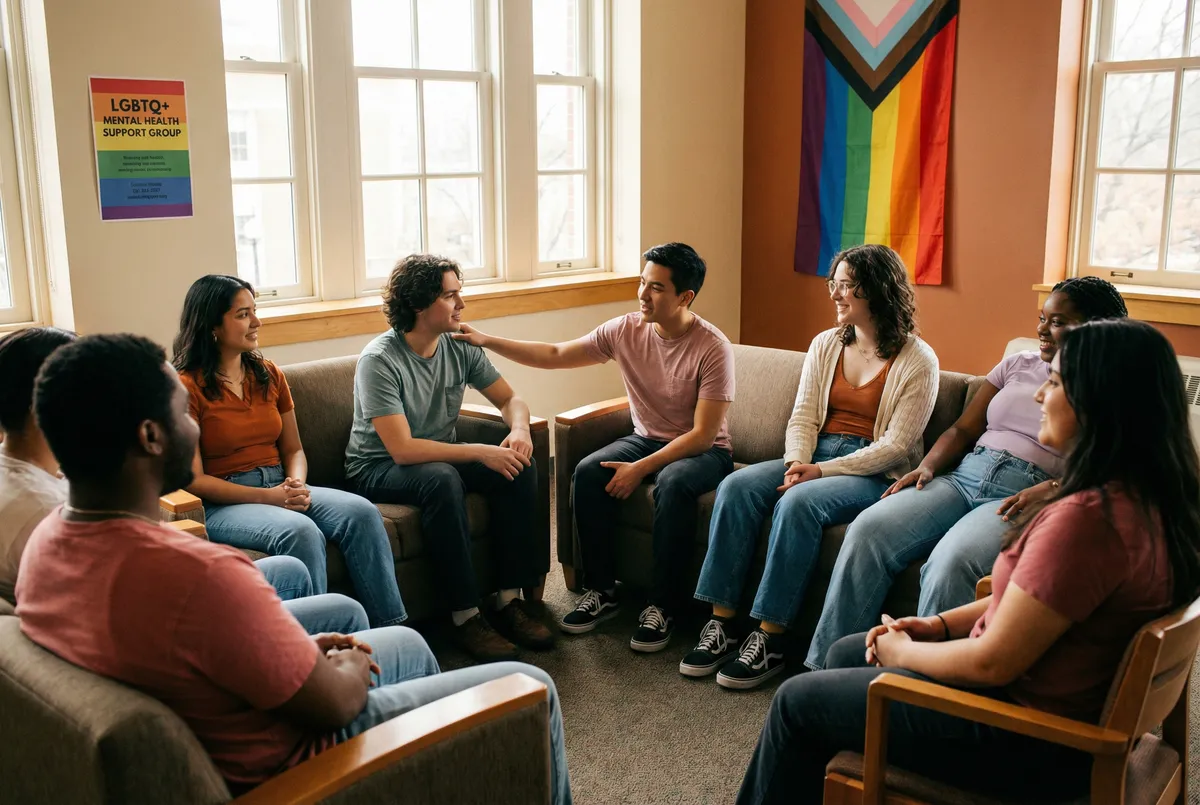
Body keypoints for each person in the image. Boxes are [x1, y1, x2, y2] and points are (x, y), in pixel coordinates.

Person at [16, 333, 572, 804]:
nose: (194, 423)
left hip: (230, 720)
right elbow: (334, 704)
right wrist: (349, 666)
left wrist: (302, 655)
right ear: (150, 436)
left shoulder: (45, 543)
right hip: (300, 767)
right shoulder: (206, 575)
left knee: (374, 624)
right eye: (181, 412)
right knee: (532, 684)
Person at [736, 318, 1200, 803]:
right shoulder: (1152, 504)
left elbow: (991, 663)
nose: (1041, 396)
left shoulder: (1086, 525)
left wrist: (904, 653)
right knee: (843, 655)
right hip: (1052, 709)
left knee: (796, 702)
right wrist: (935, 626)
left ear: (1099, 403)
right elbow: (1031, 603)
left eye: (1057, 383)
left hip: (1023, 739)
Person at [803, 276, 1128, 669]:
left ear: (1097, 330)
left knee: (951, 561)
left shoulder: (1108, 388)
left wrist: (1053, 489)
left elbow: (1112, 465)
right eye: (1042, 318)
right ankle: (826, 669)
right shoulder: (1017, 364)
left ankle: (913, 690)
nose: (1042, 329)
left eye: (1058, 322)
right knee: (868, 529)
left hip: (1019, 495)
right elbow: (961, 429)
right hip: (964, 474)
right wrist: (927, 467)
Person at [454, 242, 735, 652]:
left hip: (703, 452)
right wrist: (486, 340)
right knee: (587, 472)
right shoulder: (625, 330)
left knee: (672, 484)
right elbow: (554, 354)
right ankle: (602, 590)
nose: (642, 294)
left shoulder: (712, 347)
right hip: (645, 437)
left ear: (685, 297)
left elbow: (704, 435)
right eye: (642, 282)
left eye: (656, 288)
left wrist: (640, 469)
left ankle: (664, 606)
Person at [682, 244, 938, 690]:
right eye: (833, 284)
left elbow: (897, 446)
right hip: (814, 454)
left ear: (876, 290)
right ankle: (721, 621)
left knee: (798, 505)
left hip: (870, 471)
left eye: (845, 286)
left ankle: (771, 637)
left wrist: (821, 472)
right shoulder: (826, 344)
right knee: (737, 487)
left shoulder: (918, 360)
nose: (835, 295)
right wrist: (798, 461)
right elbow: (802, 416)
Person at [0, 326, 366, 630]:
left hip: (157, 604)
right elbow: (142, 610)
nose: (194, 428)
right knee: (359, 619)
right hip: (172, 620)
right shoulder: (44, 511)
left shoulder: (44, 488)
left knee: (290, 571)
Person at [345, 254, 552, 662]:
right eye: (451, 295)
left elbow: (511, 399)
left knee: (516, 465)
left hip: (436, 458)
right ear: (420, 304)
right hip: (376, 468)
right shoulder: (379, 360)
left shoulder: (459, 345)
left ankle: (509, 599)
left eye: (460, 293)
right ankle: (464, 615)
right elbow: (402, 448)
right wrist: (479, 451)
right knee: (441, 478)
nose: (461, 304)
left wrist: (519, 431)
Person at [173, 275, 406, 628]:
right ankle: (316, 650)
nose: (257, 322)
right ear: (212, 325)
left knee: (361, 513)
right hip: (225, 502)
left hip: (281, 484)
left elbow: (294, 448)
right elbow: (195, 480)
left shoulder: (268, 374)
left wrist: (294, 485)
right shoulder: (185, 387)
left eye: (255, 311)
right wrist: (269, 498)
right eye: (242, 314)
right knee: (300, 531)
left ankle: (389, 630)